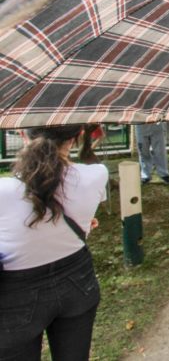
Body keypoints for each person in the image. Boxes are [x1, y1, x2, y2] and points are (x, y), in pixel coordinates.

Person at [0, 125, 108, 360]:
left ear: (22, 135)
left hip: (16, 293)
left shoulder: (4, 191)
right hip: (77, 280)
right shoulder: (96, 174)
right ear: (77, 137)